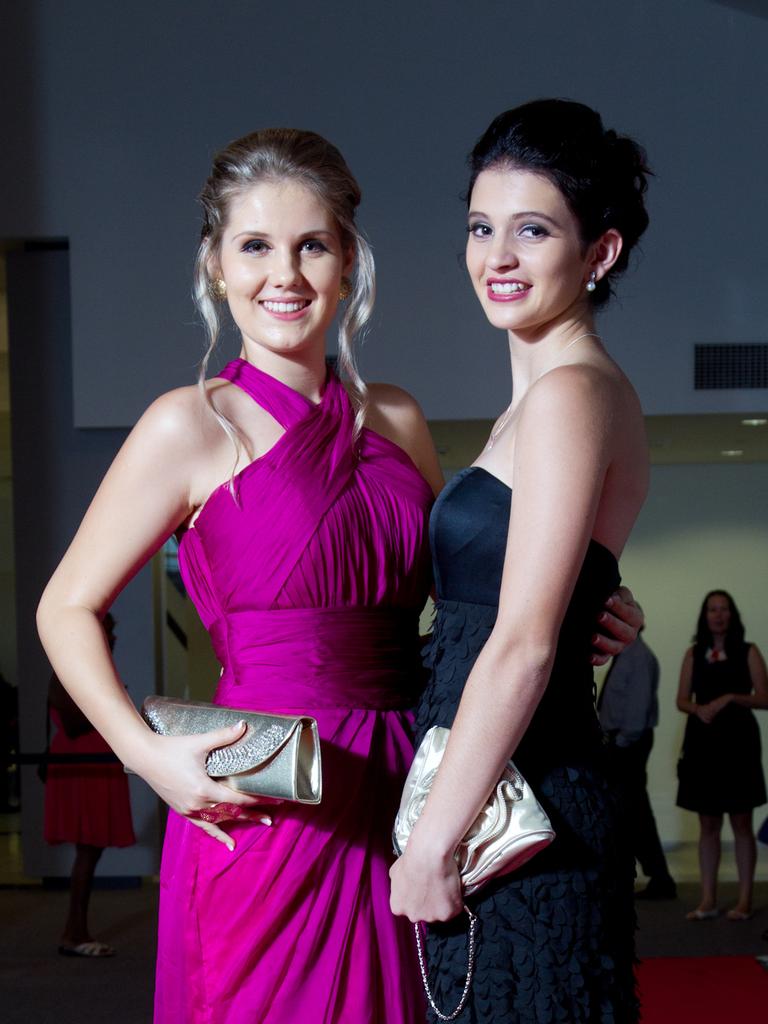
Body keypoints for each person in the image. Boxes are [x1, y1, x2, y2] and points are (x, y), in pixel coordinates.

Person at [37, 127, 642, 1022]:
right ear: (215, 264)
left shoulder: (396, 418)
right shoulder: (185, 427)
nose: (284, 275)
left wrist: (599, 601)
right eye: (254, 247)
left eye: (311, 245)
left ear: (349, 260)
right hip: (270, 807)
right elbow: (65, 608)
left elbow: (478, 593)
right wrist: (147, 758)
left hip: (415, 789)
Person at [389, 99, 651, 1023]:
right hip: (501, 788)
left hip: (519, 805)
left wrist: (431, 843)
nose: (495, 257)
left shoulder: (572, 394)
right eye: (480, 227)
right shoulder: (548, 398)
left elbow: (525, 647)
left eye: (531, 230)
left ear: (599, 252)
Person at [44, 612, 136, 957]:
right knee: (87, 849)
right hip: (83, 767)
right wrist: (113, 700)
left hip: (96, 764)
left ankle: (76, 929)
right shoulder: (71, 664)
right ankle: (74, 931)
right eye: (108, 631)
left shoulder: (92, 664)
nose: (114, 638)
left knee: (91, 850)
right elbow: (71, 720)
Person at [676, 589, 768, 922]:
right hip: (703, 743)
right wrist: (698, 708)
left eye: (724, 609)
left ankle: (743, 900)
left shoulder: (748, 651)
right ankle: (707, 899)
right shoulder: (693, 653)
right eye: (713, 609)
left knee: (742, 822)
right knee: (708, 823)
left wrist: (730, 697)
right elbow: (681, 700)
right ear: (705, 615)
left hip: (739, 743)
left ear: (733, 614)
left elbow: (765, 698)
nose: (718, 615)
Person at [598, 621, 676, 899]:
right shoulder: (628, 655)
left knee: (633, 810)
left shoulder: (638, 657)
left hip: (627, 744)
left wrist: (619, 743)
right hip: (624, 743)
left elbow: (637, 709)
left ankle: (659, 878)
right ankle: (653, 876)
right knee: (630, 809)